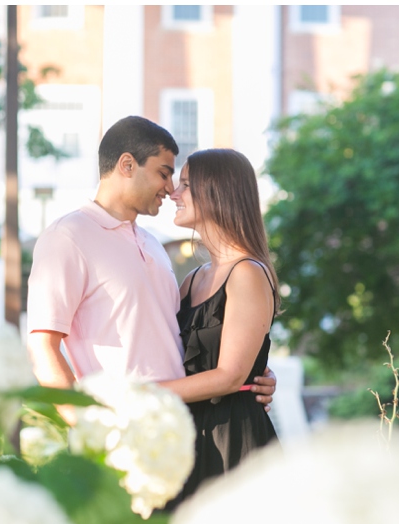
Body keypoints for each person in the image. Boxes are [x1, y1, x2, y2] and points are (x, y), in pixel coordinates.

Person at [26, 116, 277, 415]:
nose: (170, 189)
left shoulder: (154, 245)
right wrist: (85, 424)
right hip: (121, 429)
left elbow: (186, 341)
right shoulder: (67, 237)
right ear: (127, 165)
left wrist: (253, 372)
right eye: (164, 173)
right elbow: (43, 348)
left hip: (182, 430)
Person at [155, 148, 282, 510]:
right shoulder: (193, 279)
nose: (173, 194)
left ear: (217, 192)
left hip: (231, 440)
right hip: (187, 436)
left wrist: (145, 394)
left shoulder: (247, 273)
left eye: (185, 185)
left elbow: (229, 376)